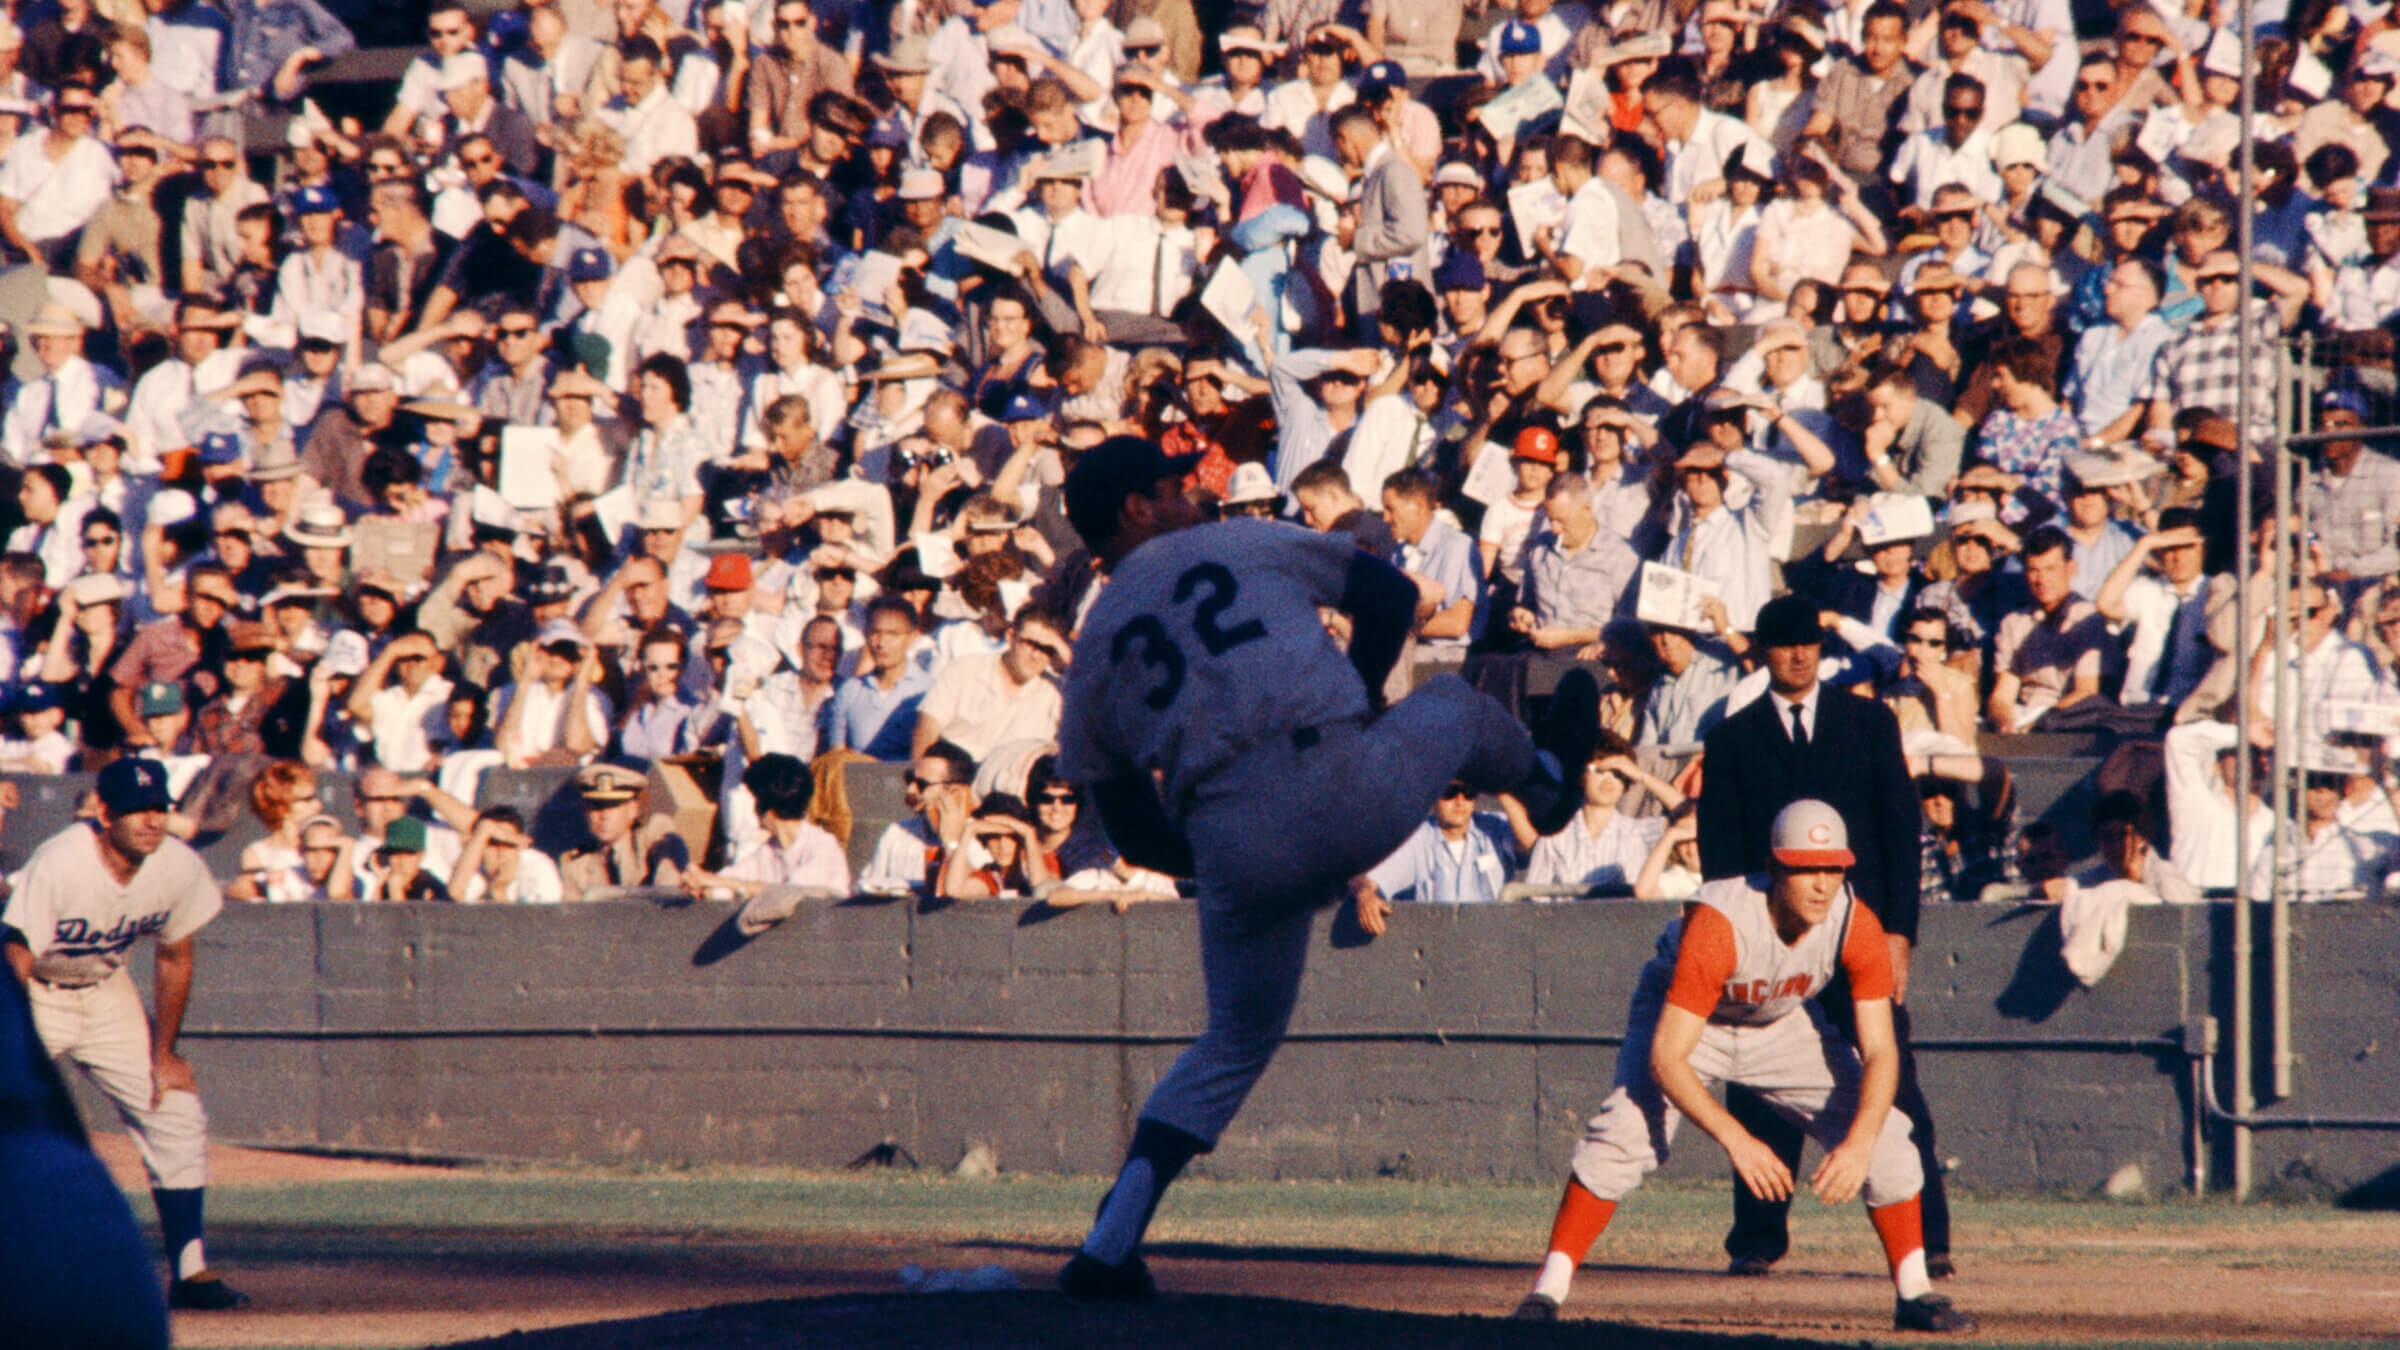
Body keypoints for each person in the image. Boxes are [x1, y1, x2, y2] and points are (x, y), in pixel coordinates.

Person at [1050, 435, 1593, 1299]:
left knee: (1231, 1041)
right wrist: (1366, 699)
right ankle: (1551, 781)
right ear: (1133, 510)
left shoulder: (1091, 652)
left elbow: (1134, 833)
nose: (1193, 498)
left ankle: (1107, 1249)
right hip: (1335, 775)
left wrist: (1235, 854)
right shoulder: (1233, 540)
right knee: (1451, 699)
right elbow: (1386, 594)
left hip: (1227, 838)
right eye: (1173, 487)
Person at [1511, 800, 1972, 1334]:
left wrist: (1860, 1142)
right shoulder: (1721, 921)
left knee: (1888, 1135)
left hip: (1779, 1024)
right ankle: (1548, 1288)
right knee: (1623, 1134)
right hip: (1688, 1023)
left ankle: (1914, 1292)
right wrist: (1737, 1138)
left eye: (1833, 867)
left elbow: (1882, 1052)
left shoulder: (1854, 922)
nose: (1822, 884)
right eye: (1804, 868)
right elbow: (1667, 1055)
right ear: (1775, 868)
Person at [1694, 595, 1947, 1281]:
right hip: (1769, 938)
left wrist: (1900, 933)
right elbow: (1721, 857)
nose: (1799, 655)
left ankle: (1930, 1240)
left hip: (1858, 933)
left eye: (1808, 643)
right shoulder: (1733, 737)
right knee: (1755, 1084)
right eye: (1784, 645)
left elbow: (1900, 831)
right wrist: (1736, 942)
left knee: (1894, 1076)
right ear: (1762, 653)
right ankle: (1757, 1238)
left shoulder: (1868, 722)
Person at [1, 757, 251, 1309]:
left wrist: (165, 1052)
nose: (151, 820)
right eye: (137, 809)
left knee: (177, 1111)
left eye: (159, 808)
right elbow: (16, 954)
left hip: (107, 992)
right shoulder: (63, 862)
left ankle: (190, 1271)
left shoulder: (176, 867)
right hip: (36, 991)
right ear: (104, 811)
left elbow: (175, 954)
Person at [1350, 779, 1520, 925]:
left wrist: (1501, 788)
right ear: (1432, 795)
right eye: (1450, 791)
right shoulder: (1416, 839)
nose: (1460, 801)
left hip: (1493, 943)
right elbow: (1368, 881)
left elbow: (1532, 845)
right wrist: (1365, 895)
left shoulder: (1496, 827)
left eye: (1469, 792)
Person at [556, 761, 689, 898]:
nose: (604, 816)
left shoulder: (652, 836)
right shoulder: (576, 867)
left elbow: (668, 887)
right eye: (596, 807)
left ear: (633, 809)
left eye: (613, 806)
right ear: (585, 810)